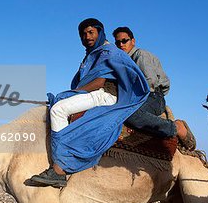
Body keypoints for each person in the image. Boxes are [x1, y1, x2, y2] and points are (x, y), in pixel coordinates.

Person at [30, 18, 150, 187]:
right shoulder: (91, 56)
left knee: (58, 109)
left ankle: (60, 168)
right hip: (96, 93)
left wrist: (70, 94)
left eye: (91, 32)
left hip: (104, 94)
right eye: (83, 34)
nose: (87, 36)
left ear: (99, 33)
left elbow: (99, 82)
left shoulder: (107, 52)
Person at [112, 26, 195, 148]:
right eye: (118, 42)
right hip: (146, 95)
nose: (121, 44)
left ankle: (176, 128)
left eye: (124, 40)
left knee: (130, 115)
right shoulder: (125, 61)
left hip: (152, 96)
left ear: (133, 41)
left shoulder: (140, 55)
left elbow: (149, 82)